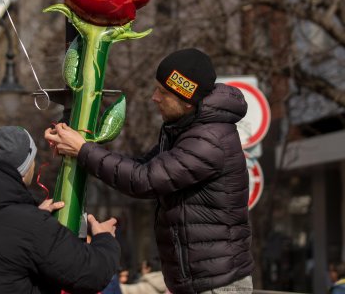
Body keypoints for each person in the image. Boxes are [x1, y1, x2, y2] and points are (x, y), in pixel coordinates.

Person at [45, 48, 254, 294]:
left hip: (216, 286)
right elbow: (141, 165)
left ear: (186, 100)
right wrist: (79, 151)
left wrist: (83, 150)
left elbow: (144, 180)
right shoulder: (186, 129)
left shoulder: (209, 140)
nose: (155, 97)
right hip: (197, 282)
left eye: (163, 92)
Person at [0, 125, 120, 294]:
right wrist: (105, 240)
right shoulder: (29, 227)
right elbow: (88, 273)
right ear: (25, 168)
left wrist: (30, 215)